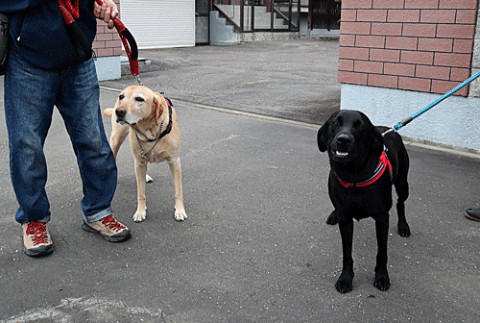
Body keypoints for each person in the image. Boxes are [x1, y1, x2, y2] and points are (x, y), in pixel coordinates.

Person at [3, 0, 131, 257]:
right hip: (29, 57)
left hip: (78, 54)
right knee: (26, 146)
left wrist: (101, 3)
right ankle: (34, 218)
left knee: (93, 140)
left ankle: (99, 211)